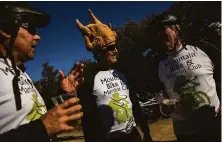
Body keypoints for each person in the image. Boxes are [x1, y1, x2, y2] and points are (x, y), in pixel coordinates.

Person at [0, 2, 83, 142]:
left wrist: (63, 95)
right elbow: (41, 126)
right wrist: (42, 128)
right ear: (6, 30)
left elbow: (32, 117)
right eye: (31, 29)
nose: (37, 37)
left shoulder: (19, 72)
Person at [76, 9, 152, 142]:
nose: (116, 51)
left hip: (133, 136)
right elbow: (88, 120)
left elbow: (134, 103)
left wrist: (146, 131)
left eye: (115, 47)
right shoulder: (89, 78)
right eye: (111, 48)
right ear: (99, 51)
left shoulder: (122, 72)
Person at [148, 13, 221, 142]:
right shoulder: (156, 64)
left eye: (163, 30)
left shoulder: (202, 48)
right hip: (186, 133)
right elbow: (159, 95)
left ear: (177, 28)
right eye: (156, 34)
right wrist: (164, 106)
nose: (160, 36)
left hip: (215, 123)